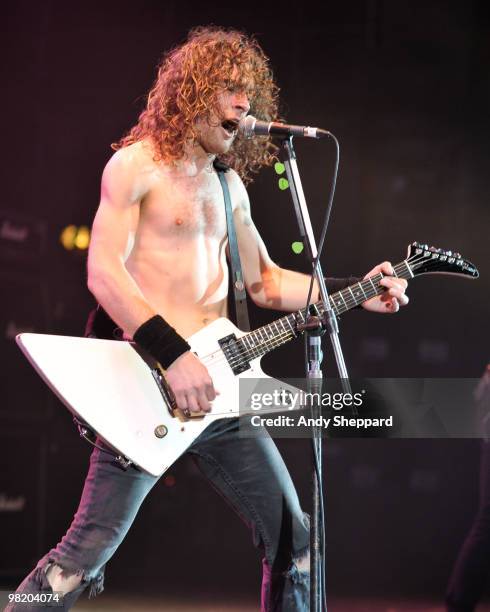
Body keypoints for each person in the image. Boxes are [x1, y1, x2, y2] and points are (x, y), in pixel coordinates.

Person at [8, 26, 408, 611]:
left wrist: (359, 290)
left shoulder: (230, 187)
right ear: (191, 92)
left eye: (249, 92)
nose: (243, 103)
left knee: (295, 539)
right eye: (228, 88)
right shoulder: (134, 166)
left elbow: (265, 281)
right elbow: (103, 274)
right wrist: (175, 355)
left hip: (221, 392)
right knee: (84, 554)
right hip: (149, 386)